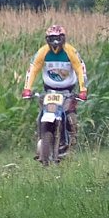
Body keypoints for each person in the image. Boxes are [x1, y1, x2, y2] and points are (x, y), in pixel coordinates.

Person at [21, 24, 89, 154]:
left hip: (68, 91)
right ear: (47, 39)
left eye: (58, 38)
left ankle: (71, 141)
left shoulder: (71, 52)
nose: (55, 42)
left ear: (63, 38)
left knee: (70, 117)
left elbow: (80, 69)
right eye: (52, 38)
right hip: (49, 91)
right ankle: (40, 139)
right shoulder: (42, 52)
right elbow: (33, 69)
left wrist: (83, 90)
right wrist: (27, 89)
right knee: (42, 113)